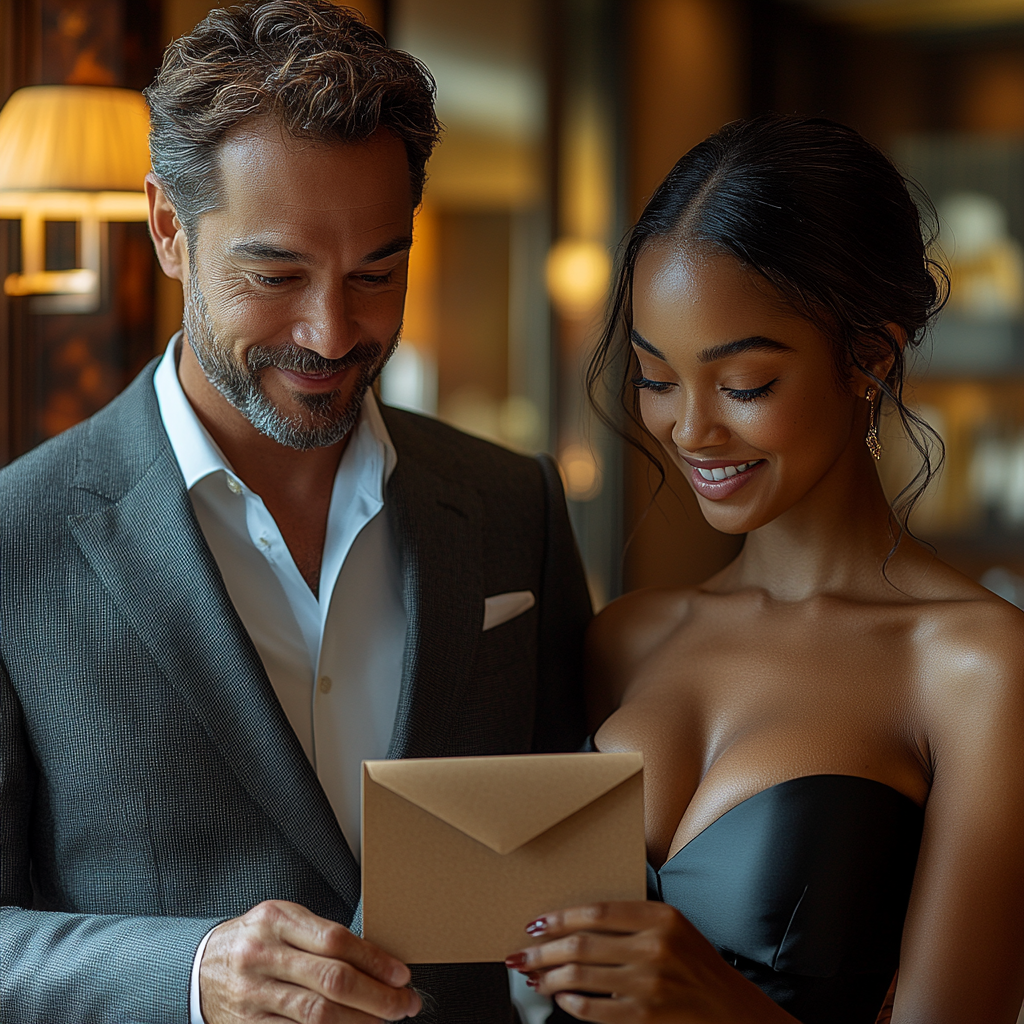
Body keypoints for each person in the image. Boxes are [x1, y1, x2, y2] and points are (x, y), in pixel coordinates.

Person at [0, 3, 590, 1022]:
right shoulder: (18, 538)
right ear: (168, 229)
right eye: (274, 275)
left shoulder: (512, 505)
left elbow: (575, 863)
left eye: (377, 273)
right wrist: (187, 975)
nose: (331, 330)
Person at [506, 115, 1024, 1023]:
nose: (691, 430)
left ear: (869, 358)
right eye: (656, 378)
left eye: (742, 383)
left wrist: (720, 1005)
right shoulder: (626, 637)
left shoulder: (979, 668)